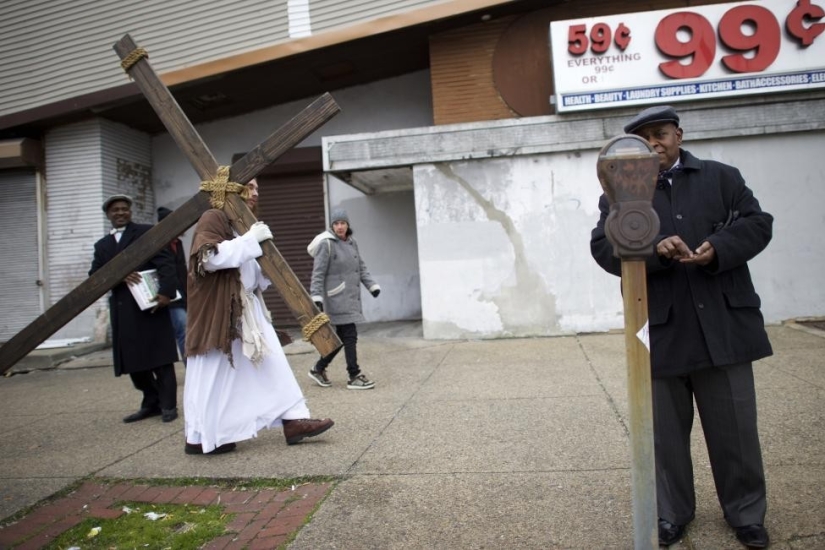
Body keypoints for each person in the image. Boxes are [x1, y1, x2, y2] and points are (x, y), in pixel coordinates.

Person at [590, 105, 773, 549]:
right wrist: (651, 248)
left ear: (679, 135)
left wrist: (717, 248)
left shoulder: (722, 177)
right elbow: (602, 247)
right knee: (665, 438)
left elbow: (758, 224)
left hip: (724, 327)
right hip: (660, 332)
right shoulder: (620, 189)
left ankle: (746, 514)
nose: (655, 143)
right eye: (645, 138)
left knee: (736, 432)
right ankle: (671, 514)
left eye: (661, 134)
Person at [183, 179, 334, 455]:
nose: (255, 193)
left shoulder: (241, 223)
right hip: (220, 313)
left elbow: (247, 271)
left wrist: (263, 263)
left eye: (256, 189)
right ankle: (202, 436)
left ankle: (294, 419)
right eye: (248, 187)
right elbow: (207, 259)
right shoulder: (213, 217)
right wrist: (250, 241)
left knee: (272, 362)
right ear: (229, 189)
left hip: (247, 309)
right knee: (215, 375)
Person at [90, 194, 180, 424]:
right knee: (134, 364)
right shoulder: (102, 246)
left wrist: (166, 293)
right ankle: (151, 403)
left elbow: (166, 263)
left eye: (124, 209)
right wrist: (118, 276)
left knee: (160, 359)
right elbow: (94, 277)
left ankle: (168, 406)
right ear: (108, 215)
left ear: (130, 212)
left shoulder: (145, 233)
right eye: (115, 210)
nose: (120, 213)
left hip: (151, 306)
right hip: (124, 311)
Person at [307, 209, 379, 390]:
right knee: (350, 335)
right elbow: (318, 273)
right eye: (336, 223)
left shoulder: (352, 243)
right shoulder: (327, 244)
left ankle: (318, 368)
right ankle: (354, 375)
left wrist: (372, 286)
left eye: (343, 223)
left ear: (348, 225)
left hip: (351, 297)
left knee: (340, 339)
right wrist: (316, 296)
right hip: (336, 298)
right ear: (332, 226)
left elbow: (360, 267)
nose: (339, 227)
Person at [157, 206, 187, 366]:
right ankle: (190, 366)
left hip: (184, 295)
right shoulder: (159, 245)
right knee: (183, 330)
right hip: (171, 297)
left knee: (184, 331)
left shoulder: (178, 243)